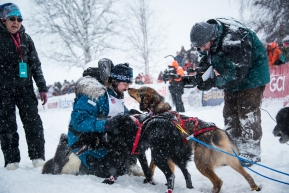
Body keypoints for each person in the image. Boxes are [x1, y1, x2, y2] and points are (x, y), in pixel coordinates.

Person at [190, 17, 270, 165]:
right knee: (230, 113)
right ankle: (233, 149)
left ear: (211, 37)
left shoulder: (234, 38)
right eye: (198, 47)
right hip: (232, 75)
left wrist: (213, 82)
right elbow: (205, 58)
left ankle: (251, 153)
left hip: (253, 75)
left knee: (247, 113)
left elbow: (237, 72)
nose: (201, 49)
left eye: (202, 46)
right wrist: (201, 74)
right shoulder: (209, 40)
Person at [68, 61, 143, 176]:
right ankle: (80, 163)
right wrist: (106, 124)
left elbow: (122, 114)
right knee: (110, 171)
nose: (127, 88)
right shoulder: (93, 94)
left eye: (129, 83)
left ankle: (130, 162)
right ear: (114, 80)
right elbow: (78, 121)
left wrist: (135, 116)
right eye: (125, 83)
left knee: (132, 126)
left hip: (104, 141)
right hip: (84, 141)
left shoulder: (113, 94)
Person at [0, 3, 48, 170]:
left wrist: (42, 87)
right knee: (7, 125)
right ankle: (11, 160)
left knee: (33, 122)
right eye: (12, 18)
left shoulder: (26, 39)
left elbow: (35, 65)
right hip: (3, 91)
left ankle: (38, 156)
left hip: (25, 88)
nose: (16, 22)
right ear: (3, 19)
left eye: (19, 19)